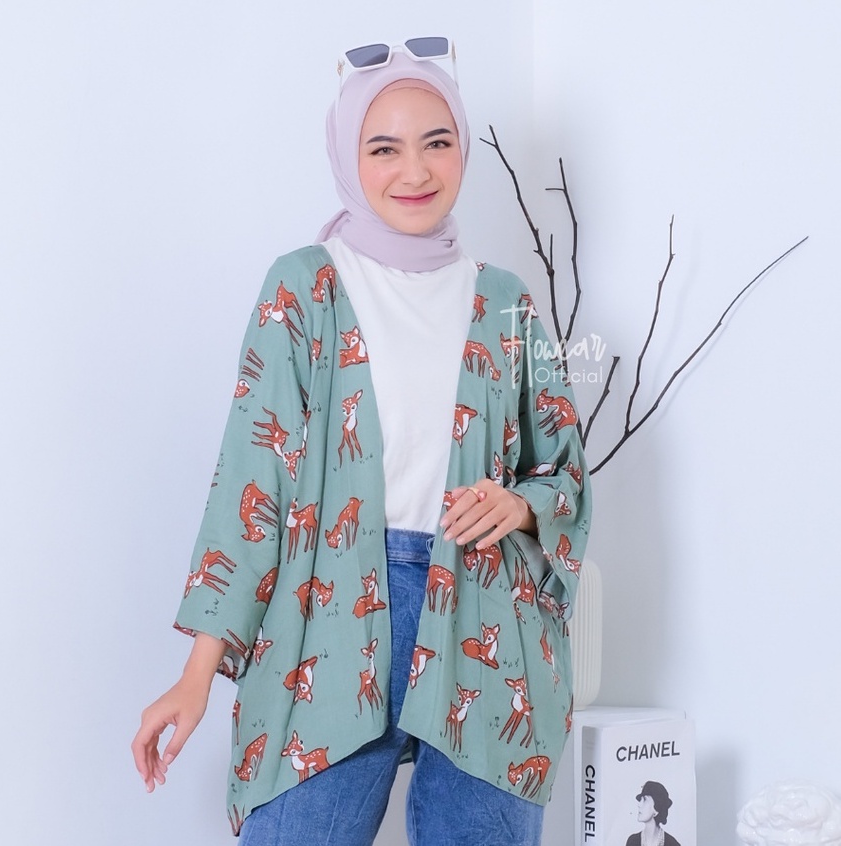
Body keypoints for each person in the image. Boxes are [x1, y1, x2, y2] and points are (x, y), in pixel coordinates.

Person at [132, 38, 591, 846]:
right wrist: (196, 675)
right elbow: (253, 484)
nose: (415, 170)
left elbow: (564, 475)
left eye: (437, 142)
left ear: (462, 148)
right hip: (329, 617)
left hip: (486, 620)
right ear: (349, 155)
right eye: (384, 149)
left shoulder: (505, 301)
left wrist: (518, 505)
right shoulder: (305, 287)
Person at [626, 781, 681, 846]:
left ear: (656, 809)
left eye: (645, 799)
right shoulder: (632, 841)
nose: (639, 804)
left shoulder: (672, 843)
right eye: (640, 800)